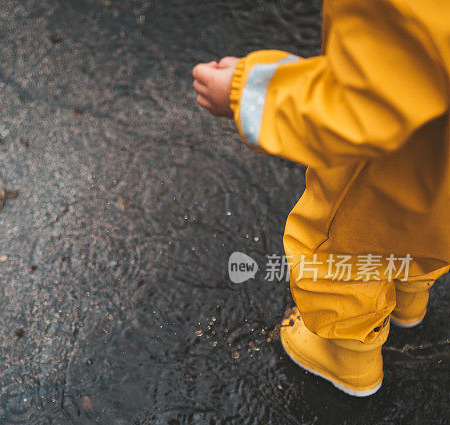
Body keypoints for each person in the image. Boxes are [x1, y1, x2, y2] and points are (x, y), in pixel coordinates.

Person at [192, 0, 450, 396]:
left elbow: (363, 100)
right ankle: (409, 301)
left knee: (339, 254)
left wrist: (250, 91)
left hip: (390, 173)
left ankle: (347, 358)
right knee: (424, 239)